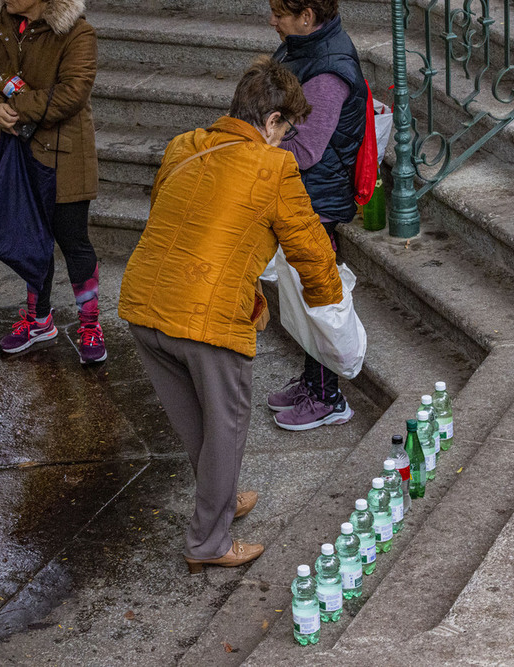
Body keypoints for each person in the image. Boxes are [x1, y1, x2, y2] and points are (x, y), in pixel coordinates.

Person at [118, 58, 343, 572]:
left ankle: (219, 499)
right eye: (286, 130)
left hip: (144, 304)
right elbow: (309, 244)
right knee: (226, 424)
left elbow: (168, 212)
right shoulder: (274, 167)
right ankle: (208, 543)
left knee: (195, 421)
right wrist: (329, 302)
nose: (286, 142)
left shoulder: (185, 145)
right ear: (271, 122)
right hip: (208, 318)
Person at [0, 0, 106, 364]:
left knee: (73, 241)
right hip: (17, 154)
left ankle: (89, 323)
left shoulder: (77, 32)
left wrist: (17, 107)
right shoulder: (3, 26)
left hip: (63, 156)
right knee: (29, 238)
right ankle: (39, 320)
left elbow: (73, 92)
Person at [267, 0, 367, 431]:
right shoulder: (302, 48)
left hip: (317, 201)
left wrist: (257, 145)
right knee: (304, 292)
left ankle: (328, 397)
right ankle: (313, 380)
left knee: (319, 298)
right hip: (304, 196)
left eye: (280, 14)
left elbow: (307, 149)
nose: (272, 21)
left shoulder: (327, 71)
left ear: (307, 16)